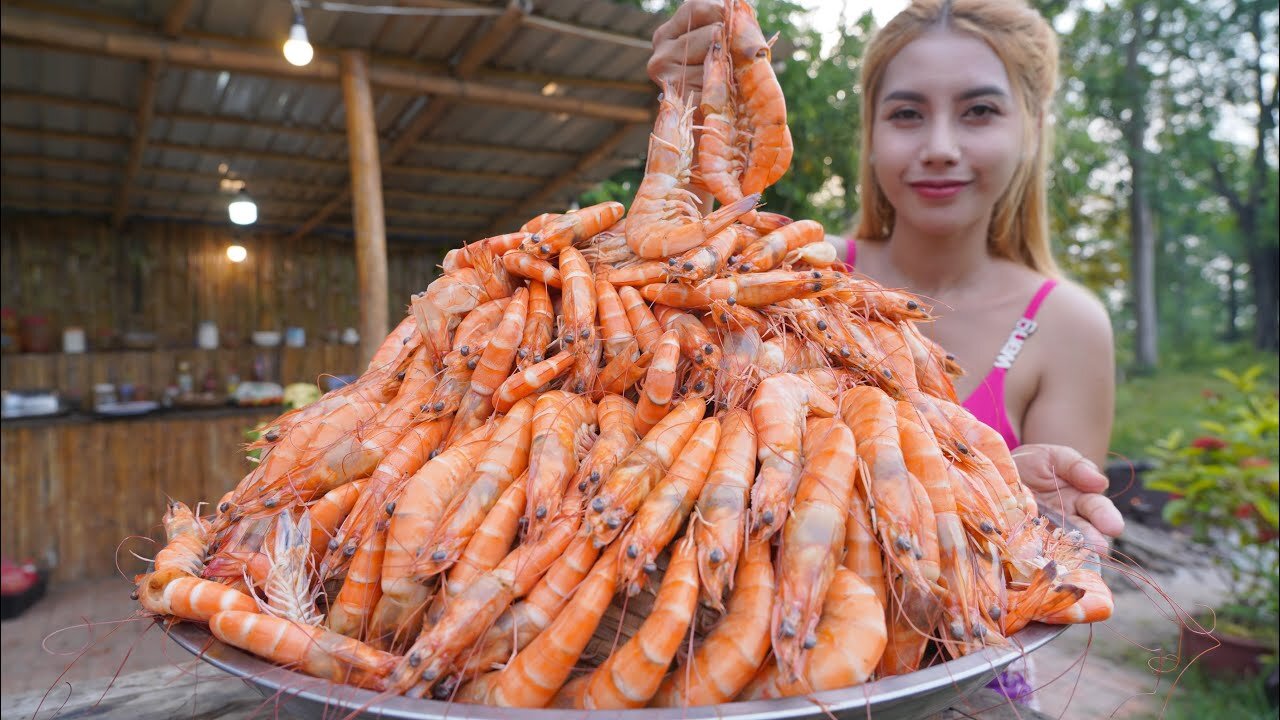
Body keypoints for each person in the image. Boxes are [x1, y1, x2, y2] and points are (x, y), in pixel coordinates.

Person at [649, 0, 1126, 705]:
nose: (938, 144)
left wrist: (1012, 501)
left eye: (979, 111)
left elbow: (1047, 561)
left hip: (964, 684)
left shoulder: (1067, 324)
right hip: (762, 667)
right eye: (906, 114)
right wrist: (685, 113)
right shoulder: (794, 270)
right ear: (869, 136)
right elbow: (670, 312)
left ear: (1032, 130)